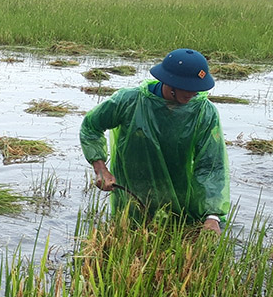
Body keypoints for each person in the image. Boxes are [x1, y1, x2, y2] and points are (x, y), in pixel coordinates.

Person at [79, 48, 230, 233]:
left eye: (197, 89)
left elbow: (211, 165)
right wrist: (100, 169)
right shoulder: (130, 101)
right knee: (128, 241)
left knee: (176, 240)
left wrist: (212, 216)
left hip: (180, 194)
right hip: (133, 192)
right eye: (187, 88)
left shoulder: (204, 112)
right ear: (169, 81)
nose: (192, 94)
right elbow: (91, 127)